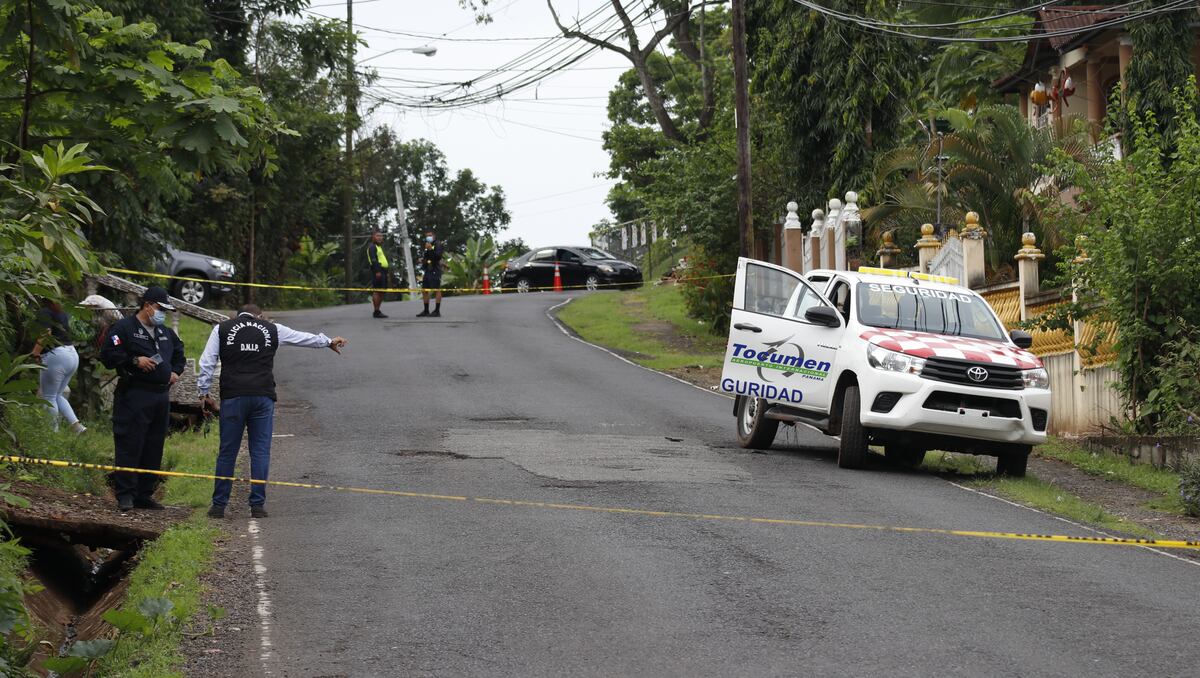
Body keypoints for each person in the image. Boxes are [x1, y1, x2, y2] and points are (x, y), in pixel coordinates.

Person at [197, 304, 347, 519]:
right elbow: (301, 338)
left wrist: (203, 392)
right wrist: (327, 342)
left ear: (238, 315)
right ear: (259, 316)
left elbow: (207, 362)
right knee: (259, 451)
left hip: (233, 396)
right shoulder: (271, 328)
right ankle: (257, 505)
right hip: (262, 396)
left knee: (227, 452)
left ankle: (219, 506)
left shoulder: (221, 329)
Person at [98, 287, 186, 511]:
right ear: (147, 306)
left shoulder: (165, 332)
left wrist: (175, 371)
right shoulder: (125, 328)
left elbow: (179, 352)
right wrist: (135, 361)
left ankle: (144, 494)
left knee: (154, 445)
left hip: (160, 395)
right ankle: (125, 495)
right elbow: (108, 355)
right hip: (135, 394)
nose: (162, 314)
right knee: (130, 443)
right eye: (159, 309)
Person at [32, 300, 85, 434]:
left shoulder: (44, 312)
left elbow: (46, 333)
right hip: (72, 354)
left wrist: (35, 352)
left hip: (56, 356)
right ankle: (77, 427)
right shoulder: (61, 312)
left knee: (48, 396)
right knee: (57, 395)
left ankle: (52, 433)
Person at [416, 230, 443, 318]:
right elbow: (428, 259)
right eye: (427, 236)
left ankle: (437, 311)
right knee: (424, 290)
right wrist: (422, 260)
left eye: (430, 235)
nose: (428, 237)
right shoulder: (427, 244)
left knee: (436, 289)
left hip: (435, 269)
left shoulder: (438, 244)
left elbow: (437, 257)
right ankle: (426, 310)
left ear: (434, 236)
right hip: (428, 270)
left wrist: (430, 249)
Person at [366, 229, 390, 319]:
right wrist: (377, 271)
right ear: (373, 237)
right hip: (378, 270)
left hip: (383, 271)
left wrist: (386, 272)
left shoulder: (379, 247)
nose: (380, 237)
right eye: (378, 236)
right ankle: (376, 311)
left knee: (382, 291)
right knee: (377, 291)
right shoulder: (372, 247)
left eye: (381, 236)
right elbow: (373, 260)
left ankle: (378, 310)